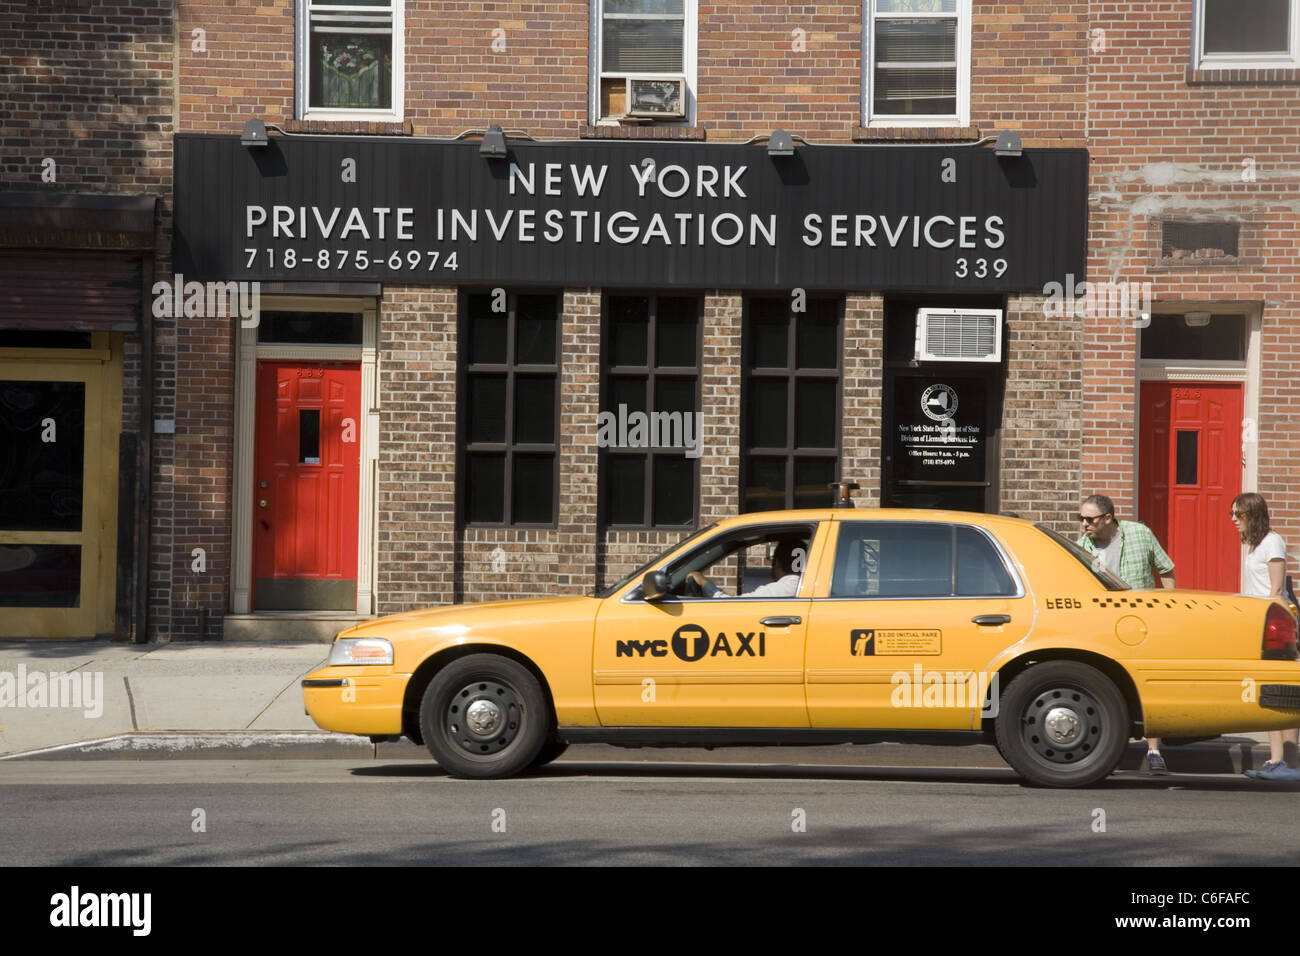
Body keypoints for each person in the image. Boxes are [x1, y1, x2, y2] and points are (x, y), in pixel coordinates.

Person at [1076, 494, 1176, 774]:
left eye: (1090, 519)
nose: (1084, 524)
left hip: (1142, 621)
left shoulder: (1140, 534)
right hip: (1104, 627)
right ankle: (1104, 749)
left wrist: (1169, 610)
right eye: (1081, 518)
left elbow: (1166, 569)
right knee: (1109, 686)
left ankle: (1154, 750)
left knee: (1148, 684)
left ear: (1108, 518)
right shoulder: (1083, 546)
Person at [1233, 493, 1300, 780]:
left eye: (1239, 514)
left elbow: (1275, 591)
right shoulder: (1255, 545)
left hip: (1275, 626)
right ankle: (1275, 761)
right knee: (1271, 694)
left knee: (1284, 694)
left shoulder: (1272, 542)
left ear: (1253, 514)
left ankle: (1290, 763)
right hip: (1259, 624)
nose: (1234, 520)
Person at [688, 536, 806, 599]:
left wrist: (704, 582)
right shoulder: (805, 586)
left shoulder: (783, 589)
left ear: (778, 563)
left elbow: (730, 606)